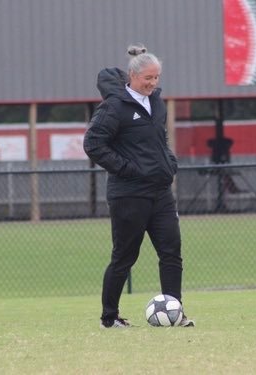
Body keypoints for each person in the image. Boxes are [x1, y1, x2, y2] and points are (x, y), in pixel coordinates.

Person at [83, 44, 194, 328]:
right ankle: (109, 318)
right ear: (132, 76)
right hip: (128, 195)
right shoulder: (114, 106)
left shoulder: (157, 102)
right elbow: (94, 144)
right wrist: (128, 169)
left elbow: (160, 140)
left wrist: (169, 162)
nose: (153, 83)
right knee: (124, 257)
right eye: (148, 78)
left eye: (157, 78)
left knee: (171, 253)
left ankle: (175, 313)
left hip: (161, 193)